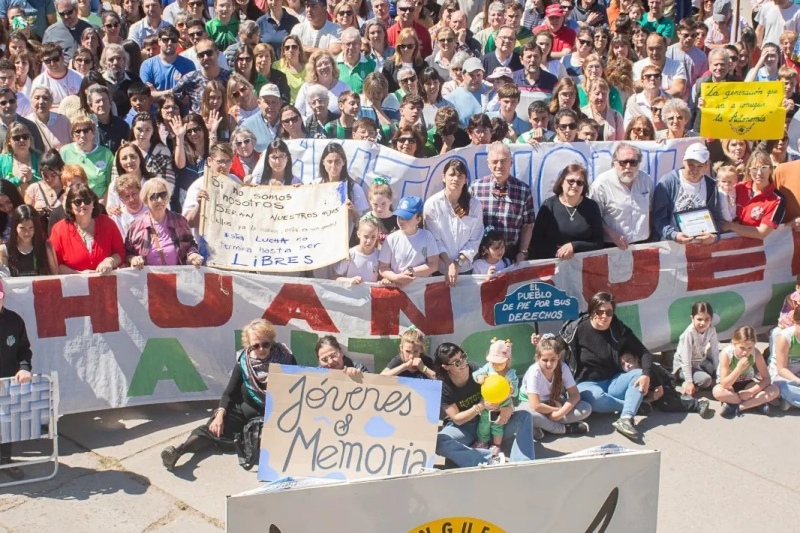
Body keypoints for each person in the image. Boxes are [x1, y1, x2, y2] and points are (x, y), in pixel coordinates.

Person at [160, 319, 296, 471]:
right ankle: (178, 452)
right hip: (246, 409)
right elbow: (229, 392)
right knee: (214, 429)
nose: (261, 349)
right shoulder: (244, 361)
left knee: (274, 443)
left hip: (275, 412)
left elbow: (298, 387)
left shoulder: (285, 357)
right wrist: (220, 414)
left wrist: (280, 382)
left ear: (272, 341)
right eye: (255, 345)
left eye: (266, 344)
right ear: (249, 345)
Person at [561, 291, 653, 440]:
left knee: (638, 375)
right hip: (586, 385)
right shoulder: (577, 328)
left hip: (612, 382)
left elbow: (645, 353)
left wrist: (646, 374)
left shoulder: (618, 330)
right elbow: (556, 345)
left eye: (609, 312)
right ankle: (631, 405)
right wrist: (541, 341)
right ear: (592, 311)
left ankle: (626, 419)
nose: (604, 316)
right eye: (600, 312)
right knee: (596, 398)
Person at [433, 342, 535, 467]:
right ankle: (489, 459)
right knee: (438, 442)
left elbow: (503, 390)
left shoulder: (477, 369)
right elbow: (457, 419)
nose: (463, 363)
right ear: (446, 366)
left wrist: (508, 408)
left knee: (525, 417)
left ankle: (523, 464)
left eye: (463, 357)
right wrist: (481, 406)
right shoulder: (443, 385)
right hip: (465, 427)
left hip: (491, 421)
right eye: (457, 362)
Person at [469, 142, 534, 262]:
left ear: (511, 162)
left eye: (503, 161)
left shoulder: (523, 190)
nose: (499, 165)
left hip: (511, 256)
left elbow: (528, 225)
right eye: (494, 162)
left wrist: (522, 252)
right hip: (482, 257)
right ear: (488, 164)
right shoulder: (475, 188)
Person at [423, 158, 483, 285]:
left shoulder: (475, 205)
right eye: (451, 175)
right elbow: (434, 240)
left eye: (460, 175)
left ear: (465, 180)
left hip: (466, 269)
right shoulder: (431, 205)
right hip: (439, 270)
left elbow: (475, 240)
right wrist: (449, 264)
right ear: (444, 177)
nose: (455, 179)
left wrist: (457, 263)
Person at [520, 333, 592, 437]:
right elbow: (535, 405)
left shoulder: (563, 368)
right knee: (530, 416)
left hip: (553, 401)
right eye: (544, 360)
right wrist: (556, 411)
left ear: (558, 357)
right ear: (537, 358)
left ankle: (543, 425)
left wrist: (559, 414)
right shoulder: (533, 372)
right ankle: (564, 429)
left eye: (553, 360)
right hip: (532, 404)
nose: (549, 364)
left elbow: (575, 395)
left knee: (586, 408)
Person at [530, 163, 603, 260]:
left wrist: (574, 246)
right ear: (562, 182)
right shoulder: (549, 206)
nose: (575, 185)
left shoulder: (591, 207)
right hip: (553, 264)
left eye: (579, 183)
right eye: (571, 181)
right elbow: (536, 240)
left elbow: (598, 242)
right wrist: (559, 253)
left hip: (584, 267)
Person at [652, 143, 722, 244]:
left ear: (706, 165)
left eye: (700, 166)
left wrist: (713, 237)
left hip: (701, 246)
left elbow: (716, 217)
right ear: (683, 161)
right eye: (691, 165)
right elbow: (659, 218)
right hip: (671, 244)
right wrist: (674, 235)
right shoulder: (667, 182)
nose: (695, 170)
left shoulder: (711, 185)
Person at [49, 182, 125, 274]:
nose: (83, 205)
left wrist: (110, 261)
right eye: (77, 202)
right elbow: (55, 264)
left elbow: (120, 253)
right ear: (70, 205)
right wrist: (79, 275)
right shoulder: (59, 229)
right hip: (73, 285)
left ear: (93, 203)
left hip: (106, 283)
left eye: (87, 200)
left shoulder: (108, 223)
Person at [589, 142, 653, 249]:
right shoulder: (601, 184)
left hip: (644, 244)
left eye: (633, 162)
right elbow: (593, 217)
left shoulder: (646, 180)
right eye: (623, 162)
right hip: (613, 246)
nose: (628, 167)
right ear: (614, 163)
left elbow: (652, 210)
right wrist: (611, 233)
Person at [0, 278, 33, 480]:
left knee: (6, 423)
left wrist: (24, 368)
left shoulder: (14, 320)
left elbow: (24, 350)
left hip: (7, 384)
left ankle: (5, 460)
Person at [713, 326, 779, 418]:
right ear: (734, 343)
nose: (745, 352)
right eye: (742, 348)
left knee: (774, 389)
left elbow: (766, 378)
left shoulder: (755, 353)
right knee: (717, 392)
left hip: (747, 383)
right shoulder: (726, 354)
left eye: (749, 348)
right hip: (730, 386)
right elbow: (724, 384)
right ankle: (757, 403)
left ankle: (738, 406)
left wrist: (750, 392)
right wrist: (738, 368)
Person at [722, 150, 786, 240]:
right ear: (749, 171)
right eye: (755, 169)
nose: (759, 173)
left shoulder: (777, 200)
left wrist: (731, 226)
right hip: (731, 247)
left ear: (771, 169)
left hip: (758, 251)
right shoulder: (738, 188)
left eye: (764, 168)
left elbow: (762, 233)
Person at [378, 195, 438, 287]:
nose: (402, 221)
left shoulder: (427, 236)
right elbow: (383, 267)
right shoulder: (391, 239)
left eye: (407, 217)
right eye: (400, 217)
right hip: (397, 289)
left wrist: (411, 272)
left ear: (418, 219)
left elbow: (433, 264)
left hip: (421, 289)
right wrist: (396, 277)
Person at [471, 339, 518, 456]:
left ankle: (496, 445)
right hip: (487, 403)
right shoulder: (488, 367)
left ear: (507, 360)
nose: (495, 365)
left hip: (503, 405)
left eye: (499, 362)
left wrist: (511, 389)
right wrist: (479, 377)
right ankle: (483, 441)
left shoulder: (510, 374)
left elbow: (516, 392)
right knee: (484, 424)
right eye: (493, 362)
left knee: (498, 425)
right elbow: (475, 374)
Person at [59, 115, 115, 202]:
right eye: (77, 131)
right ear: (72, 136)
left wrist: (102, 203)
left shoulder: (106, 154)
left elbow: (111, 184)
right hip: (74, 202)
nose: (82, 135)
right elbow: (60, 182)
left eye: (86, 131)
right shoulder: (65, 152)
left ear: (93, 133)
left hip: (99, 202)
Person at [672, 301, 719, 396]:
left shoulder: (711, 330)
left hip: (700, 360)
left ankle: (698, 379)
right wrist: (689, 381)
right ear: (692, 318)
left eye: (707, 319)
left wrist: (718, 376)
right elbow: (685, 359)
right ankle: (685, 382)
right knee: (706, 380)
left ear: (711, 319)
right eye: (699, 319)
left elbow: (715, 352)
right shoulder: (689, 333)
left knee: (724, 366)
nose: (703, 323)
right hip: (684, 366)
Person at [0, 205, 57, 276]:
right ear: (15, 227)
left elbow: (55, 275)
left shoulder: (46, 246)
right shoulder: (4, 250)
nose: (27, 233)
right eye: (22, 228)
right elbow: (5, 279)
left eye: (31, 228)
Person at [334, 214, 382, 284]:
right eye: (366, 236)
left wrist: (384, 280)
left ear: (377, 236)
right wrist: (350, 280)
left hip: (369, 294)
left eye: (373, 237)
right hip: (351, 293)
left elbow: (381, 278)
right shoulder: (349, 254)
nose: (369, 241)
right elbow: (335, 278)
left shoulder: (380, 255)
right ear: (358, 234)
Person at [444, 57, 488, 129]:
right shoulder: (451, 98)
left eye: (478, 75)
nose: (475, 78)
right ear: (463, 75)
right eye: (471, 75)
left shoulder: (490, 92)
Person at [770, 306, 800, 410]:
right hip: (782, 376)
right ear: (794, 321)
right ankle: (789, 398)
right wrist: (798, 381)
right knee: (784, 388)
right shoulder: (784, 337)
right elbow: (781, 369)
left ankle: (790, 401)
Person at [0, 121, 39, 194]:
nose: (22, 140)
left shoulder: (40, 158)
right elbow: (1, 187)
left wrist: (32, 178)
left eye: (25, 137)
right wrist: (18, 180)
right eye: (16, 138)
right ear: (9, 141)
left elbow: (48, 183)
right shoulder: (1, 160)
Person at [242, 84, 283, 151]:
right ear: (259, 103)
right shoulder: (247, 126)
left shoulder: (289, 121)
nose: (270, 106)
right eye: (266, 102)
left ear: (280, 103)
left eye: (274, 102)